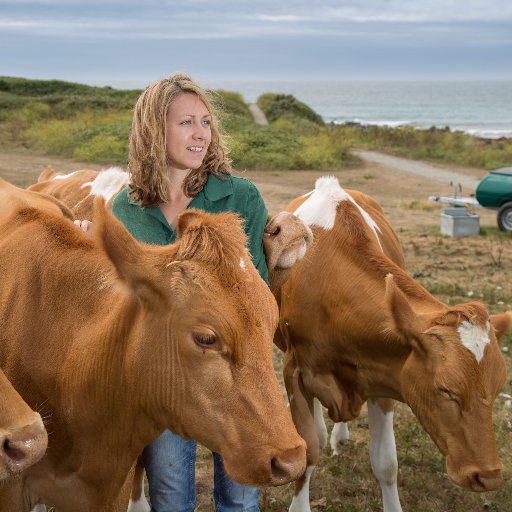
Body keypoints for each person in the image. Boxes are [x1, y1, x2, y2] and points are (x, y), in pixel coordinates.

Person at [111, 72, 267, 512]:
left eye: (205, 122)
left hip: (239, 371)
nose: (200, 133)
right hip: (168, 375)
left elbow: (258, 290)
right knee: (170, 495)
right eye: (185, 123)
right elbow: (121, 302)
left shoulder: (241, 197)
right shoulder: (125, 209)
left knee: (240, 495)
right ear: (152, 130)